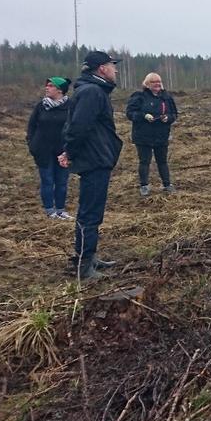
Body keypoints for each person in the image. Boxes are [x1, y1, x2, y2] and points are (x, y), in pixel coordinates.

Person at [58, 51, 123, 280]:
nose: (116, 70)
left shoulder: (92, 91)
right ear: (102, 69)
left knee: (92, 211)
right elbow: (78, 127)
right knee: (89, 213)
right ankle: (84, 266)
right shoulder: (92, 92)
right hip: (94, 160)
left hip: (97, 158)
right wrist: (69, 152)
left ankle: (89, 255)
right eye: (112, 66)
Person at [26, 77, 73, 220]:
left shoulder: (71, 106)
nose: (47, 88)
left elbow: (74, 126)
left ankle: (60, 210)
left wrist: (70, 148)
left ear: (60, 90)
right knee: (47, 180)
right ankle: (49, 210)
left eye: (51, 86)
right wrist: (32, 144)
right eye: (47, 85)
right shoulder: (41, 106)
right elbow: (31, 126)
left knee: (62, 181)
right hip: (43, 150)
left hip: (63, 151)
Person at [126, 72, 179, 196]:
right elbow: (130, 113)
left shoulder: (166, 97)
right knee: (144, 161)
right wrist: (143, 116)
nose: (157, 84)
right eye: (154, 82)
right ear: (147, 84)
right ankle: (144, 185)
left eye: (159, 81)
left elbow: (174, 114)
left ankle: (167, 185)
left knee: (163, 161)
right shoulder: (139, 96)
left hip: (161, 135)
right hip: (143, 136)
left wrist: (168, 118)